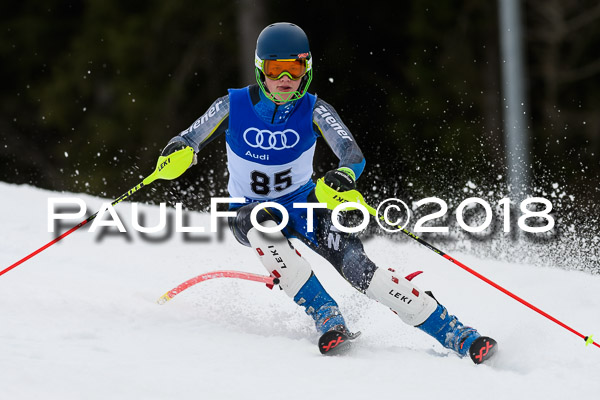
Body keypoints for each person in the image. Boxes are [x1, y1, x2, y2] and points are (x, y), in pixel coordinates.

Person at [162, 22, 496, 362]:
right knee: (262, 228)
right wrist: (177, 151)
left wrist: (343, 175)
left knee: (358, 268)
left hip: (303, 204)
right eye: (276, 69)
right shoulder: (232, 105)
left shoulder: (315, 109)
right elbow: (189, 138)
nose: (285, 79)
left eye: (294, 69)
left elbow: (351, 154)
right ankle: (327, 316)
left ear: (306, 69)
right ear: (261, 70)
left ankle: (457, 333)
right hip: (248, 211)